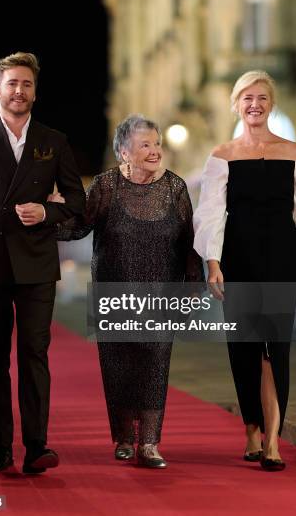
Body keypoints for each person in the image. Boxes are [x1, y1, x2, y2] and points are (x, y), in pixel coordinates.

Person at [0, 52, 86, 474]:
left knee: (34, 353)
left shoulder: (53, 141)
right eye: (11, 84)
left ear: (35, 92)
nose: (18, 90)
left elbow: (77, 202)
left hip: (37, 264)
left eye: (26, 84)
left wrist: (46, 213)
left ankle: (37, 447)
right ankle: (1, 446)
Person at [56, 114, 203, 468]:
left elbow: (188, 242)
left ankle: (149, 442)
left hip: (160, 292)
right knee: (119, 363)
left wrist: (194, 285)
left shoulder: (175, 188)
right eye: (145, 144)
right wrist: (48, 217)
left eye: (156, 143)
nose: (154, 151)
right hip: (114, 289)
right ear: (124, 151)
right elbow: (79, 228)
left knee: (154, 363)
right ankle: (123, 437)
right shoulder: (106, 186)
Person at [193, 71, 296, 471]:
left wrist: (294, 254)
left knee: (276, 348)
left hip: (282, 257)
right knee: (245, 347)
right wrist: (212, 262)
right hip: (238, 255)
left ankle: (274, 443)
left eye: (262, 97)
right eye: (247, 97)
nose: (255, 104)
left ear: (271, 103)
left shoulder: (295, 153)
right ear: (236, 103)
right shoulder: (222, 155)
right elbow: (211, 213)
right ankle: (251, 430)